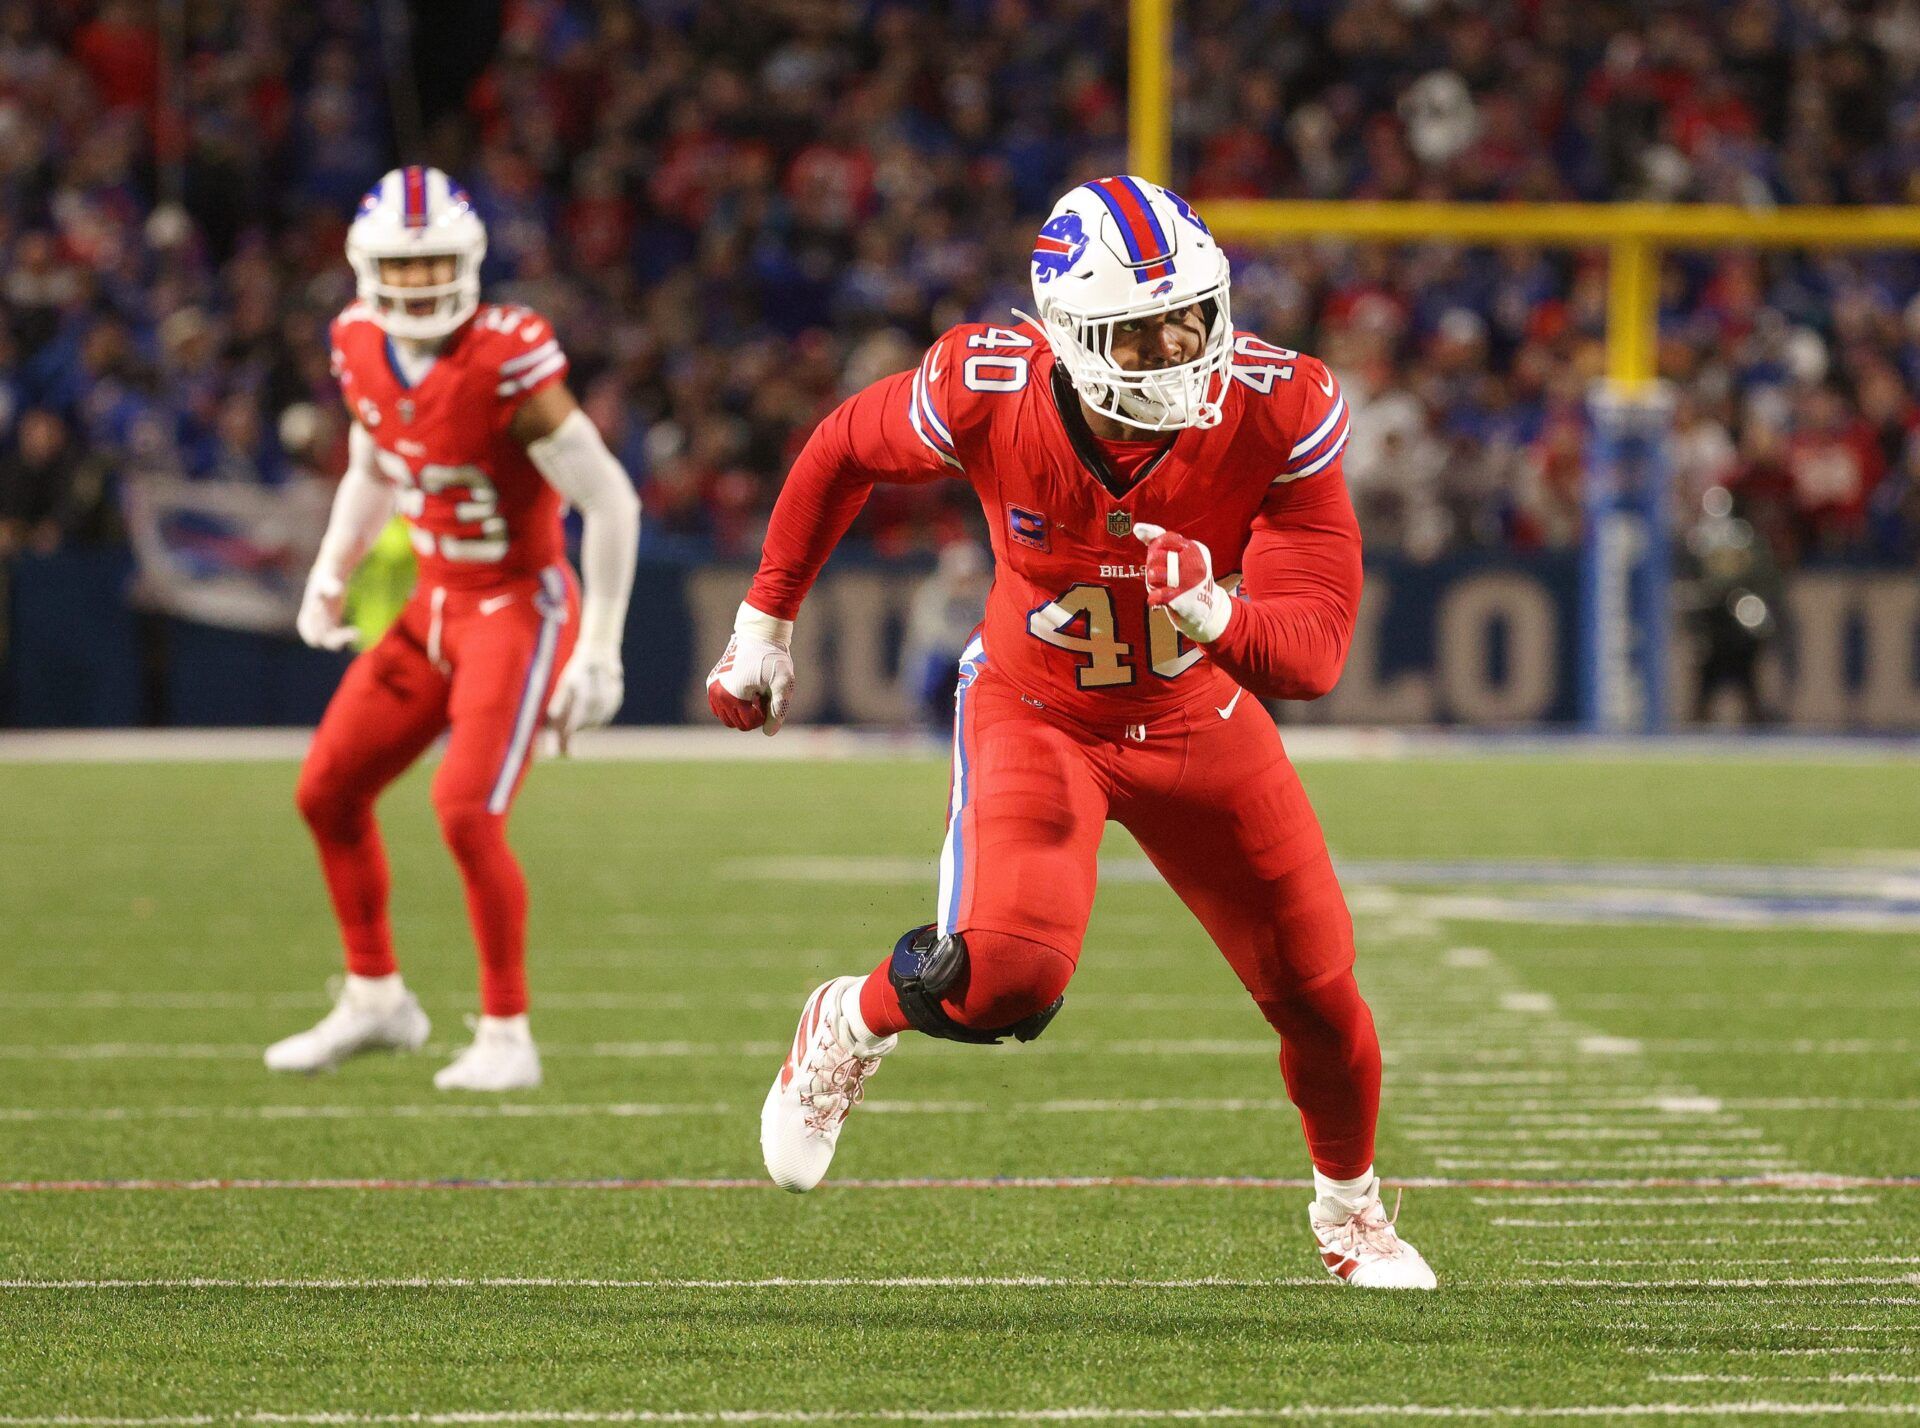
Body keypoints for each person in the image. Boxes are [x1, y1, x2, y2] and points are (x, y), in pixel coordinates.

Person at [706, 176, 1434, 1288]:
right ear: (1073, 339)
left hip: (1196, 715)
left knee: (1321, 994)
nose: (1181, 345)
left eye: (1192, 314)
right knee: (1005, 981)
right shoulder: (985, 387)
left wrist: (1217, 614)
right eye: (1142, 333)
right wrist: (764, 624)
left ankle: (1351, 1212)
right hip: (1037, 708)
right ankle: (851, 1020)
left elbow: (1319, 647)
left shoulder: (1281, 406)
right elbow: (840, 447)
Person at [265, 167, 640, 1091]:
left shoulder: (506, 353)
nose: (423, 284)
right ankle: (376, 997)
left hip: (516, 604)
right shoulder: (356, 341)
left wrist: (599, 650)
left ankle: (508, 1034)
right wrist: (331, 569)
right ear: (365, 268)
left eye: (438, 264)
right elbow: (371, 465)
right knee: (326, 791)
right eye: (405, 265)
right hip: (433, 604)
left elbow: (611, 501)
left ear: (470, 262)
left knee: (466, 812)